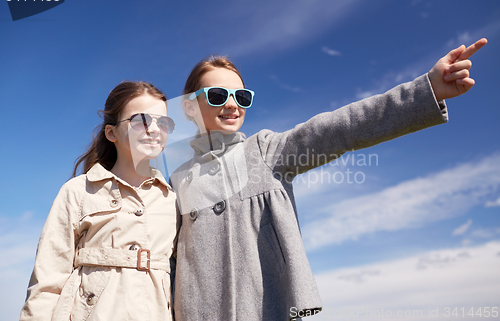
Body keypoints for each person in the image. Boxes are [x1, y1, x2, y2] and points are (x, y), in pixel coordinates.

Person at [170, 38, 487, 321]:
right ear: (188, 107)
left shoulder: (266, 151)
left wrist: (426, 90)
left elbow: (341, 128)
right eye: (216, 94)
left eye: (241, 95)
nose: (232, 104)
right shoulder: (176, 180)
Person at [20, 81, 178, 321]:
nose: (155, 129)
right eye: (141, 120)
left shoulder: (174, 200)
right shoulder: (78, 191)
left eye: (164, 123)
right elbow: (47, 281)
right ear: (111, 133)